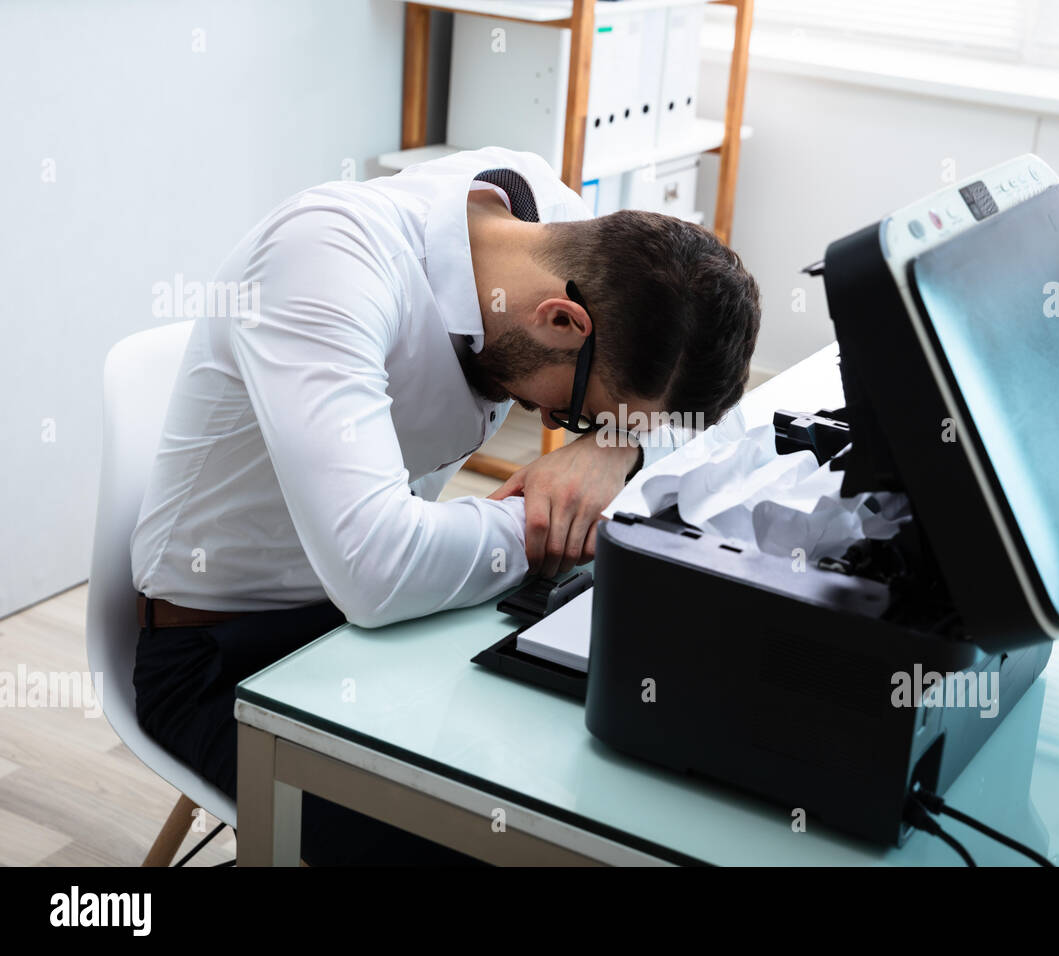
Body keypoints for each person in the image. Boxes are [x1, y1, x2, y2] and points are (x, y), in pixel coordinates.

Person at [129, 147, 761, 864]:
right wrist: (547, 522)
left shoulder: (554, 239)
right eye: (584, 414)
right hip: (228, 655)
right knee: (512, 844)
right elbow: (379, 568)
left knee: (630, 772)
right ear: (563, 322)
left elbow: (726, 425)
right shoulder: (327, 259)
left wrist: (614, 449)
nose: (572, 429)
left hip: (392, 631)